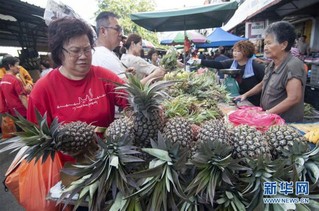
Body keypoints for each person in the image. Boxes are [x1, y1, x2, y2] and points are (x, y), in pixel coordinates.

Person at [24, 17, 128, 210]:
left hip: (110, 168)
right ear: (59, 53)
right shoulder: (43, 89)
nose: (83, 56)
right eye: (75, 51)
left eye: (87, 49)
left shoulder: (103, 76)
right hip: (72, 178)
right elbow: (36, 141)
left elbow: (131, 101)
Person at [235, 21, 306, 123]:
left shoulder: (293, 65)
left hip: (286, 124)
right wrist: (245, 95)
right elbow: (263, 83)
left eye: (269, 43)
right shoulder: (272, 64)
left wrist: (267, 113)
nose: (265, 48)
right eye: (265, 43)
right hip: (269, 120)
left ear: (283, 45)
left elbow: (294, 98)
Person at [191, 40, 265, 106]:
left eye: (238, 51)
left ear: (246, 52)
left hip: (255, 101)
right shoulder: (233, 63)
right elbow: (218, 64)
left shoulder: (256, 66)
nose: (234, 53)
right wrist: (199, 61)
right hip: (240, 99)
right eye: (234, 51)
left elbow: (264, 82)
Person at [92, 11, 128, 78]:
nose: (120, 34)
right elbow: (127, 87)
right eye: (117, 29)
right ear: (103, 31)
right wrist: (153, 75)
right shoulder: (105, 56)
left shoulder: (95, 53)